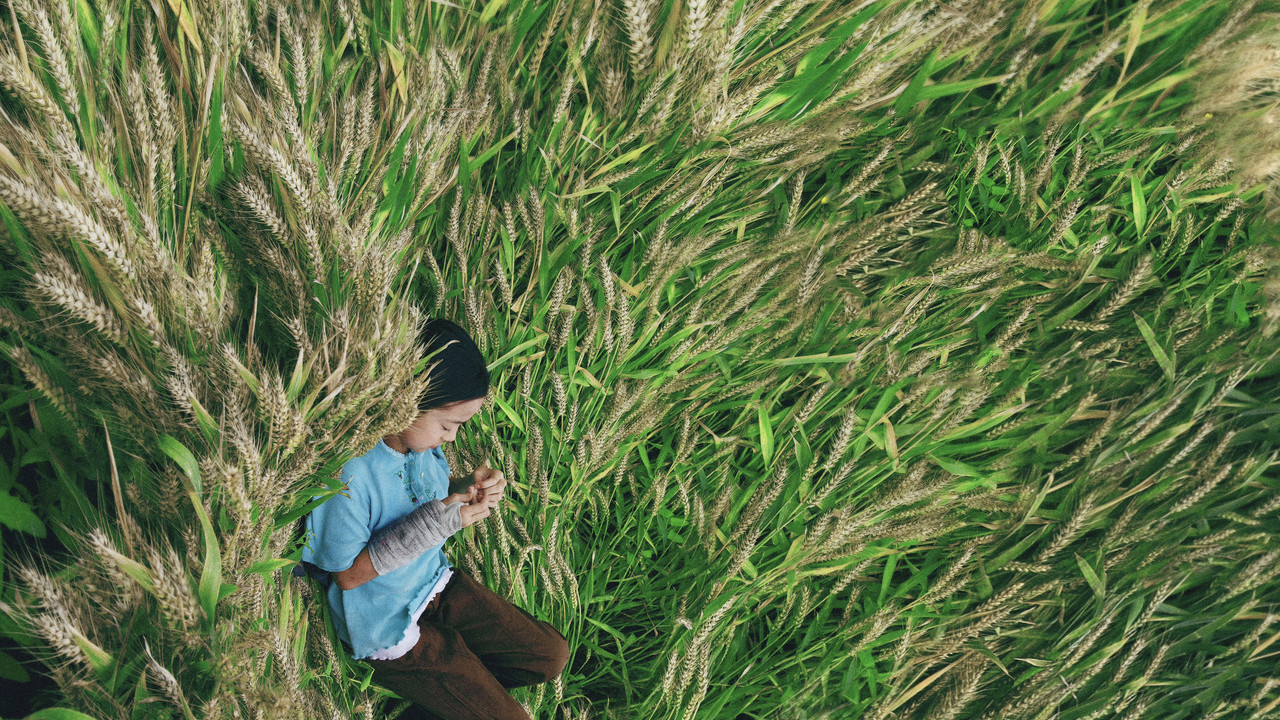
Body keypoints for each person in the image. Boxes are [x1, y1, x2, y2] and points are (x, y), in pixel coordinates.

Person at [302, 318, 568, 720]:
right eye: (448, 425)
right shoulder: (351, 473)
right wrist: (436, 526)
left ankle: (440, 697)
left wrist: (466, 488)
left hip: (434, 583)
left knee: (549, 655)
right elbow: (347, 577)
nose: (453, 438)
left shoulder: (420, 450)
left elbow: (427, 499)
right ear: (405, 402)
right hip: (386, 618)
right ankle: (442, 687)